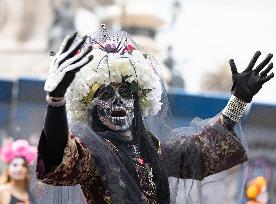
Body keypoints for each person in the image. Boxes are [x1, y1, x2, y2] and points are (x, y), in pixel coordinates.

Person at [35, 26, 274, 204]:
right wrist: (56, 101)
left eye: (127, 92)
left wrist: (239, 99)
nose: (119, 100)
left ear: (138, 100)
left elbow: (202, 149)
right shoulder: (94, 152)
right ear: (93, 106)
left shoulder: (153, 150)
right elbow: (59, 154)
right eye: (107, 94)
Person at [0, 139, 36, 204]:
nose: (19, 168)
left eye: (24, 165)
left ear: (28, 170)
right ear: (8, 170)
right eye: (15, 165)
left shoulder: (32, 193)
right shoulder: (3, 191)